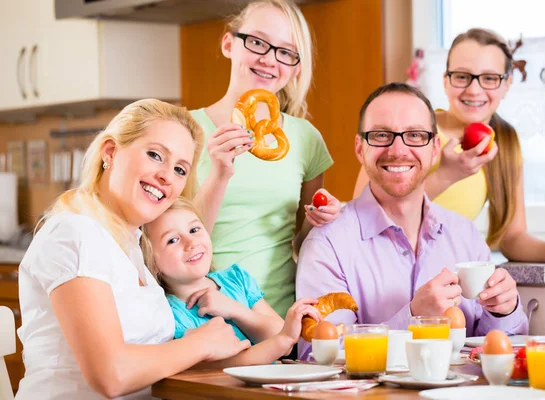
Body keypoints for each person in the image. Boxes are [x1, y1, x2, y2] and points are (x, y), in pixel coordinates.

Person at [16, 99, 250, 400]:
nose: (167, 176)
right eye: (155, 155)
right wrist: (199, 343)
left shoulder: (132, 248)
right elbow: (111, 375)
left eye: (180, 169)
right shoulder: (74, 232)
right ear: (110, 152)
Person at [297, 83, 528, 360]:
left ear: (435, 148)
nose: (398, 149)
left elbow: (500, 352)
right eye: (382, 135)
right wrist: (414, 318)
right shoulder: (328, 243)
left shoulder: (465, 236)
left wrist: (503, 310)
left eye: (415, 135)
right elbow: (320, 357)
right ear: (360, 148)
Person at [353, 28, 545, 287]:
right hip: (381, 276)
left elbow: (512, 237)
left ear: (506, 85)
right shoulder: (408, 133)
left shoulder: (503, 144)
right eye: (462, 76)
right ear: (445, 80)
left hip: (445, 284)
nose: (474, 89)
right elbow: (362, 214)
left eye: (490, 78)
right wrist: (446, 175)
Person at [190, 0, 340, 318]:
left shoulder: (305, 139)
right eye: (257, 42)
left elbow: (299, 245)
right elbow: (170, 242)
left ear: (296, 67)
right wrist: (219, 173)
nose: (269, 59)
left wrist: (320, 223)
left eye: (285, 52)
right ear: (229, 43)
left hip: (280, 317)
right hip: (200, 314)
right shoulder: (183, 131)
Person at [141, 197, 321, 367]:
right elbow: (222, 367)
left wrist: (235, 310)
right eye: (172, 240)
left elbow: (279, 334)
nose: (191, 243)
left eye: (194, 230)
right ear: (151, 262)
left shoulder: (236, 279)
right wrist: (283, 340)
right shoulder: (168, 315)